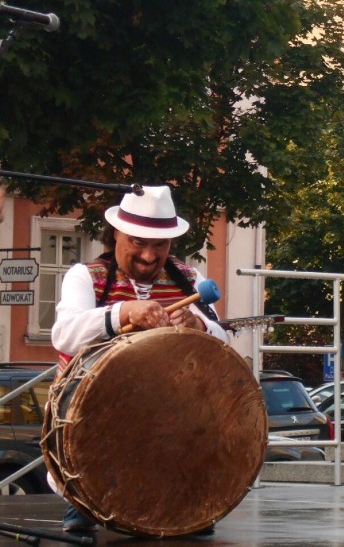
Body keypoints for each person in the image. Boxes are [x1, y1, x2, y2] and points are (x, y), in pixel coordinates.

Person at [51, 185, 227, 533]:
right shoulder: (86, 277)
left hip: (166, 415)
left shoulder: (190, 280)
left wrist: (200, 326)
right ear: (116, 233)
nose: (149, 256)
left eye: (159, 246)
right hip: (95, 416)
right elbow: (64, 334)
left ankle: (184, 505)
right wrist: (123, 312)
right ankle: (84, 497)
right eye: (139, 243)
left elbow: (224, 343)